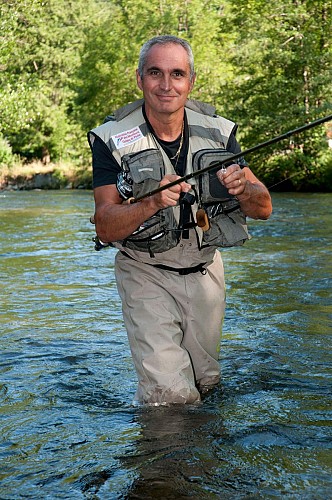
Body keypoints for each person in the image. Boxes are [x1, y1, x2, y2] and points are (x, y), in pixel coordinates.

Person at [88, 35, 272, 405]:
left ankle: (200, 459)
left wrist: (243, 189)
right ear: (139, 79)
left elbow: (263, 207)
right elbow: (105, 225)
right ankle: (163, 461)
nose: (166, 85)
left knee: (206, 384)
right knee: (169, 395)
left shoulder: (219, 130)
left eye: (177, 74)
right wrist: (151, 200)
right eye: (155, 73)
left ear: (191, 81)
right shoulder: (111, 139)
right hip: (144, 271)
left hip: (205, 272)